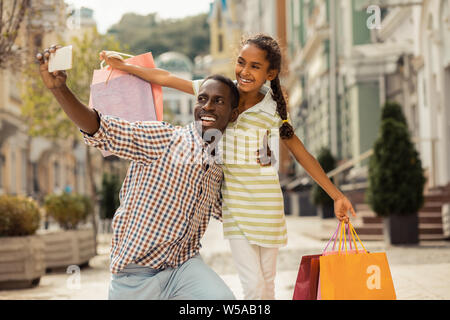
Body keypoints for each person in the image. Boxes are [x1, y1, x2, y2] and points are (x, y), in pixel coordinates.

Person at [100, 33, 357, 300]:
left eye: (255, 66)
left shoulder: (273, 108)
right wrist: (125, 66)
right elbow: (166, 78)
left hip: (268, 207)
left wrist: (336, 195)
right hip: (235, 209)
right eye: (241, 62)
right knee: (253, 285)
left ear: (270, 73)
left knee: (267, 284)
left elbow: (301, 153)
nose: (244, 71)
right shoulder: (220, 92)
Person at [37, 45, 240, 300]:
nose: (207, 106)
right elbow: (100, 128)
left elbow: (230, 211)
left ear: (233, 114)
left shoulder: (218, 166)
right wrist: (59, 89)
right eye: (202, 98)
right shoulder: (163, 137)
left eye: (218, 101)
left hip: (183, 268)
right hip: (134, 277)